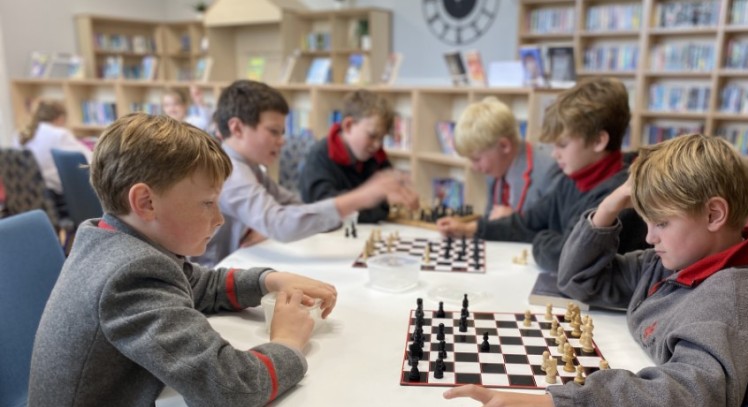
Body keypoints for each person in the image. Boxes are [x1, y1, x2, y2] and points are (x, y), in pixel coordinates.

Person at [14, 113, 337, 407]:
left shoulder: (116, 238)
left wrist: (270, 279)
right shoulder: (130, 275)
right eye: (207, 204)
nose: (219, 219)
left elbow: (196, 286)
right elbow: (228, 390)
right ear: (146, 202)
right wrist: (287, 342)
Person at [444, 134, 748, 407]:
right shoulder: (673, 265)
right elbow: (580, 280)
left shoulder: (728, 297)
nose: (649, 238)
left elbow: (694, 399)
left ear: (714, 214)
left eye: (661, 223)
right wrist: (611, 203)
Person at [437, 77, 647, 271]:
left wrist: (540, 238)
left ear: (599, 141)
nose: (555, 154)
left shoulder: (621, 196)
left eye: (562, 145)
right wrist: (471, 228)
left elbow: (569, 256)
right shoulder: (572, 179)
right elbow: (527, 223)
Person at [196, 80, 414, 266]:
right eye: (273, 131)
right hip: (206, 284)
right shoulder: (232, 173)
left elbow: (292, 207)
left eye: (282, 132)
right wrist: (362, 197)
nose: (282, 141)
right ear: (237, 128)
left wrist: (268, 226)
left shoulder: (251, 168)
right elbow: (280, 224)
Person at [298, 89, 418, 223]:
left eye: (382, 138)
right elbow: (323, 210)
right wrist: (379, 204)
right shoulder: (319, 158)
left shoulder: (375, 156)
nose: (377, 145)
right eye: (372, 136)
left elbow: (389, 197)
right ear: (348, 126)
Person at [452, 96, 559, 220]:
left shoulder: (548, 171)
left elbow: (552, 230)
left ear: (504, 146)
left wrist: (514, 221)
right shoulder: (495, 170)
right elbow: (489, 219)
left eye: (476, 159)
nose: (475, 167)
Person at [13, 98, 93, 199]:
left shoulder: (19, 134)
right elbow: (89, 158)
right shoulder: (59, 134)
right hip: (54, 194)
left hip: (28, 194)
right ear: (60, 118)